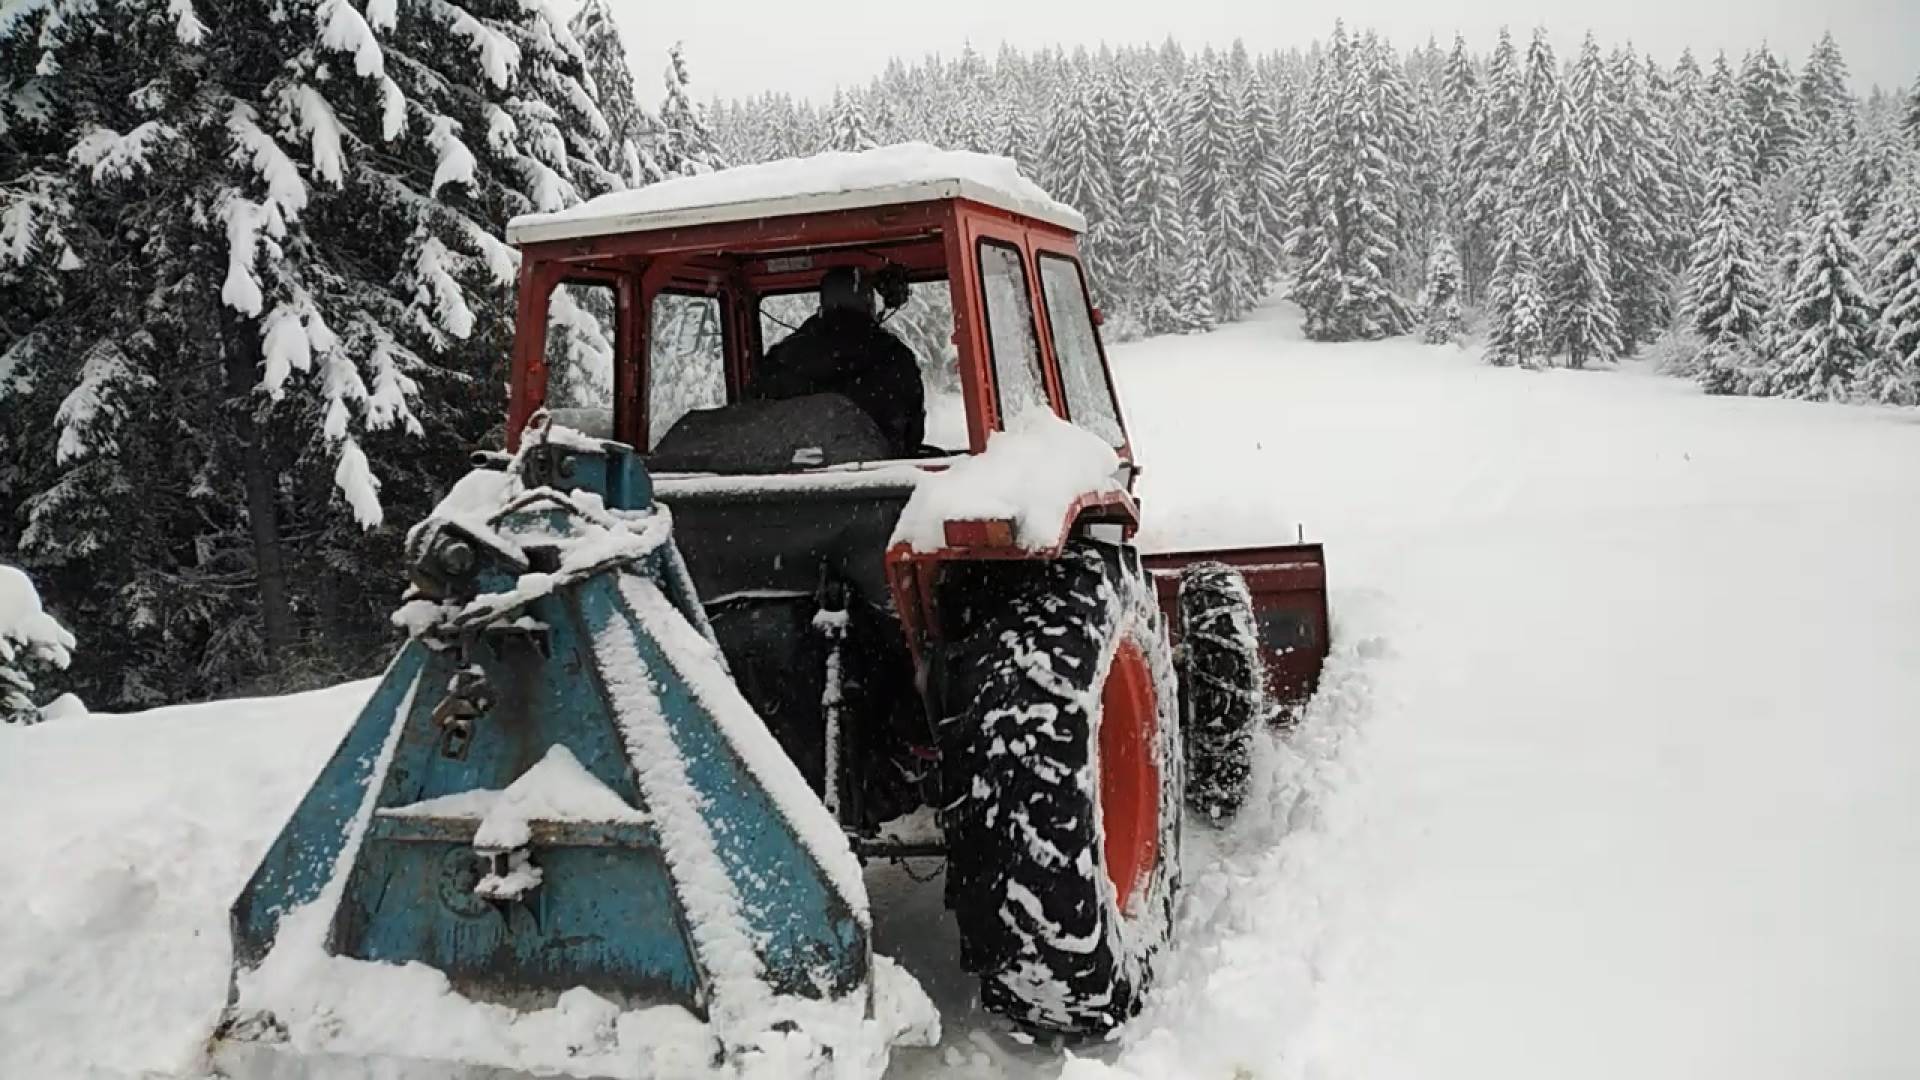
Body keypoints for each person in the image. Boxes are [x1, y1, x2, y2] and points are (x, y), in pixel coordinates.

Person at [753, 266, 925, 456]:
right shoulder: (895, 357)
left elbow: (757, 421)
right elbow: (913, 430)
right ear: (869, 304)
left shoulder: (782, 358)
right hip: (884, 475)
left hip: (793, 480)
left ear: (823, 303)